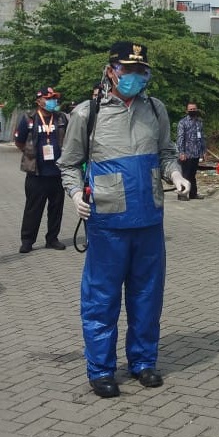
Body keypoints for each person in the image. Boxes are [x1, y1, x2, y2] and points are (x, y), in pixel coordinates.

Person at [58, 41, 190, 398]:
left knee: (147, 296)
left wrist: (175, 175)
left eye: (140, 71)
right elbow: (69, 164)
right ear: (110, 70)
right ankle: (101, 369)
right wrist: (74, 195)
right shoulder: (88, 113)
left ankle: (143, 362)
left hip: (149, 219)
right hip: (106, 222)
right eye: (126, 69)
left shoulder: (156, 110)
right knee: (101, 298)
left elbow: (166, 154)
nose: (133, 77)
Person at [14, 85, 68, 252]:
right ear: (39, 100)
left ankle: (52, 238)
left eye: (54, 98)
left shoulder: (61, 119)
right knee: (33, 208)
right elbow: (19, 141)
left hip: (57, 172)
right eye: (49, 98)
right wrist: (29, 153)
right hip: (36, 173)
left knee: (56, 208)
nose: (53, 102)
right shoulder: (28, 118)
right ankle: (27, 241)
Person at [175, 101, 206, 200]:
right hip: (186, 154)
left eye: (194, 109)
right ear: (187, 111)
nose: (193, 111)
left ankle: (193, 193)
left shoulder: (199, 122)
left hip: (196, 153)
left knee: (193, 175)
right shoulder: (182, 122)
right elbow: (180, 138)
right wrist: (181, 152)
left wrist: (203, 152)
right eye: (190, 109)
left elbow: (201, 138)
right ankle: (182, 194)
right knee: (185, 174)